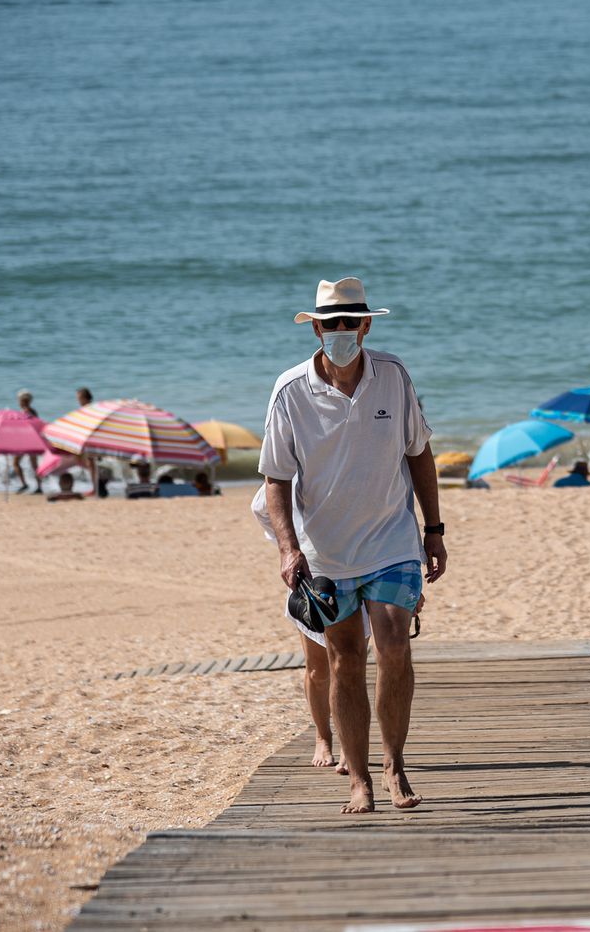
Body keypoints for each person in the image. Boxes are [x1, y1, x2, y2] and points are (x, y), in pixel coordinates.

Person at [259, 276, 446, 813]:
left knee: (393, 640)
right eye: (330, 324)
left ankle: (395, 766)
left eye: (351, 323)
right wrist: (288, 549)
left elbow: (419, 454)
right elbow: (276, 478)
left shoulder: (393, 376)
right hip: (327, 549)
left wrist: (434, 530)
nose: (341, 332)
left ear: (366, 324)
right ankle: (358, 778)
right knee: (343, 658)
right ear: (316, 329)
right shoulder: (290, 391)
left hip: (392, 537)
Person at [14, 390, 43, 493]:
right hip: (33, 440)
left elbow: (24, 427)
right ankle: (39, 487)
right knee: (34, 465)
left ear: (23, 400)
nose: (19, 402)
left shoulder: (25, 412)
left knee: (16, 463)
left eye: (20, 400)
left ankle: (24, 484)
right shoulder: (34, 411)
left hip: (26, 441)